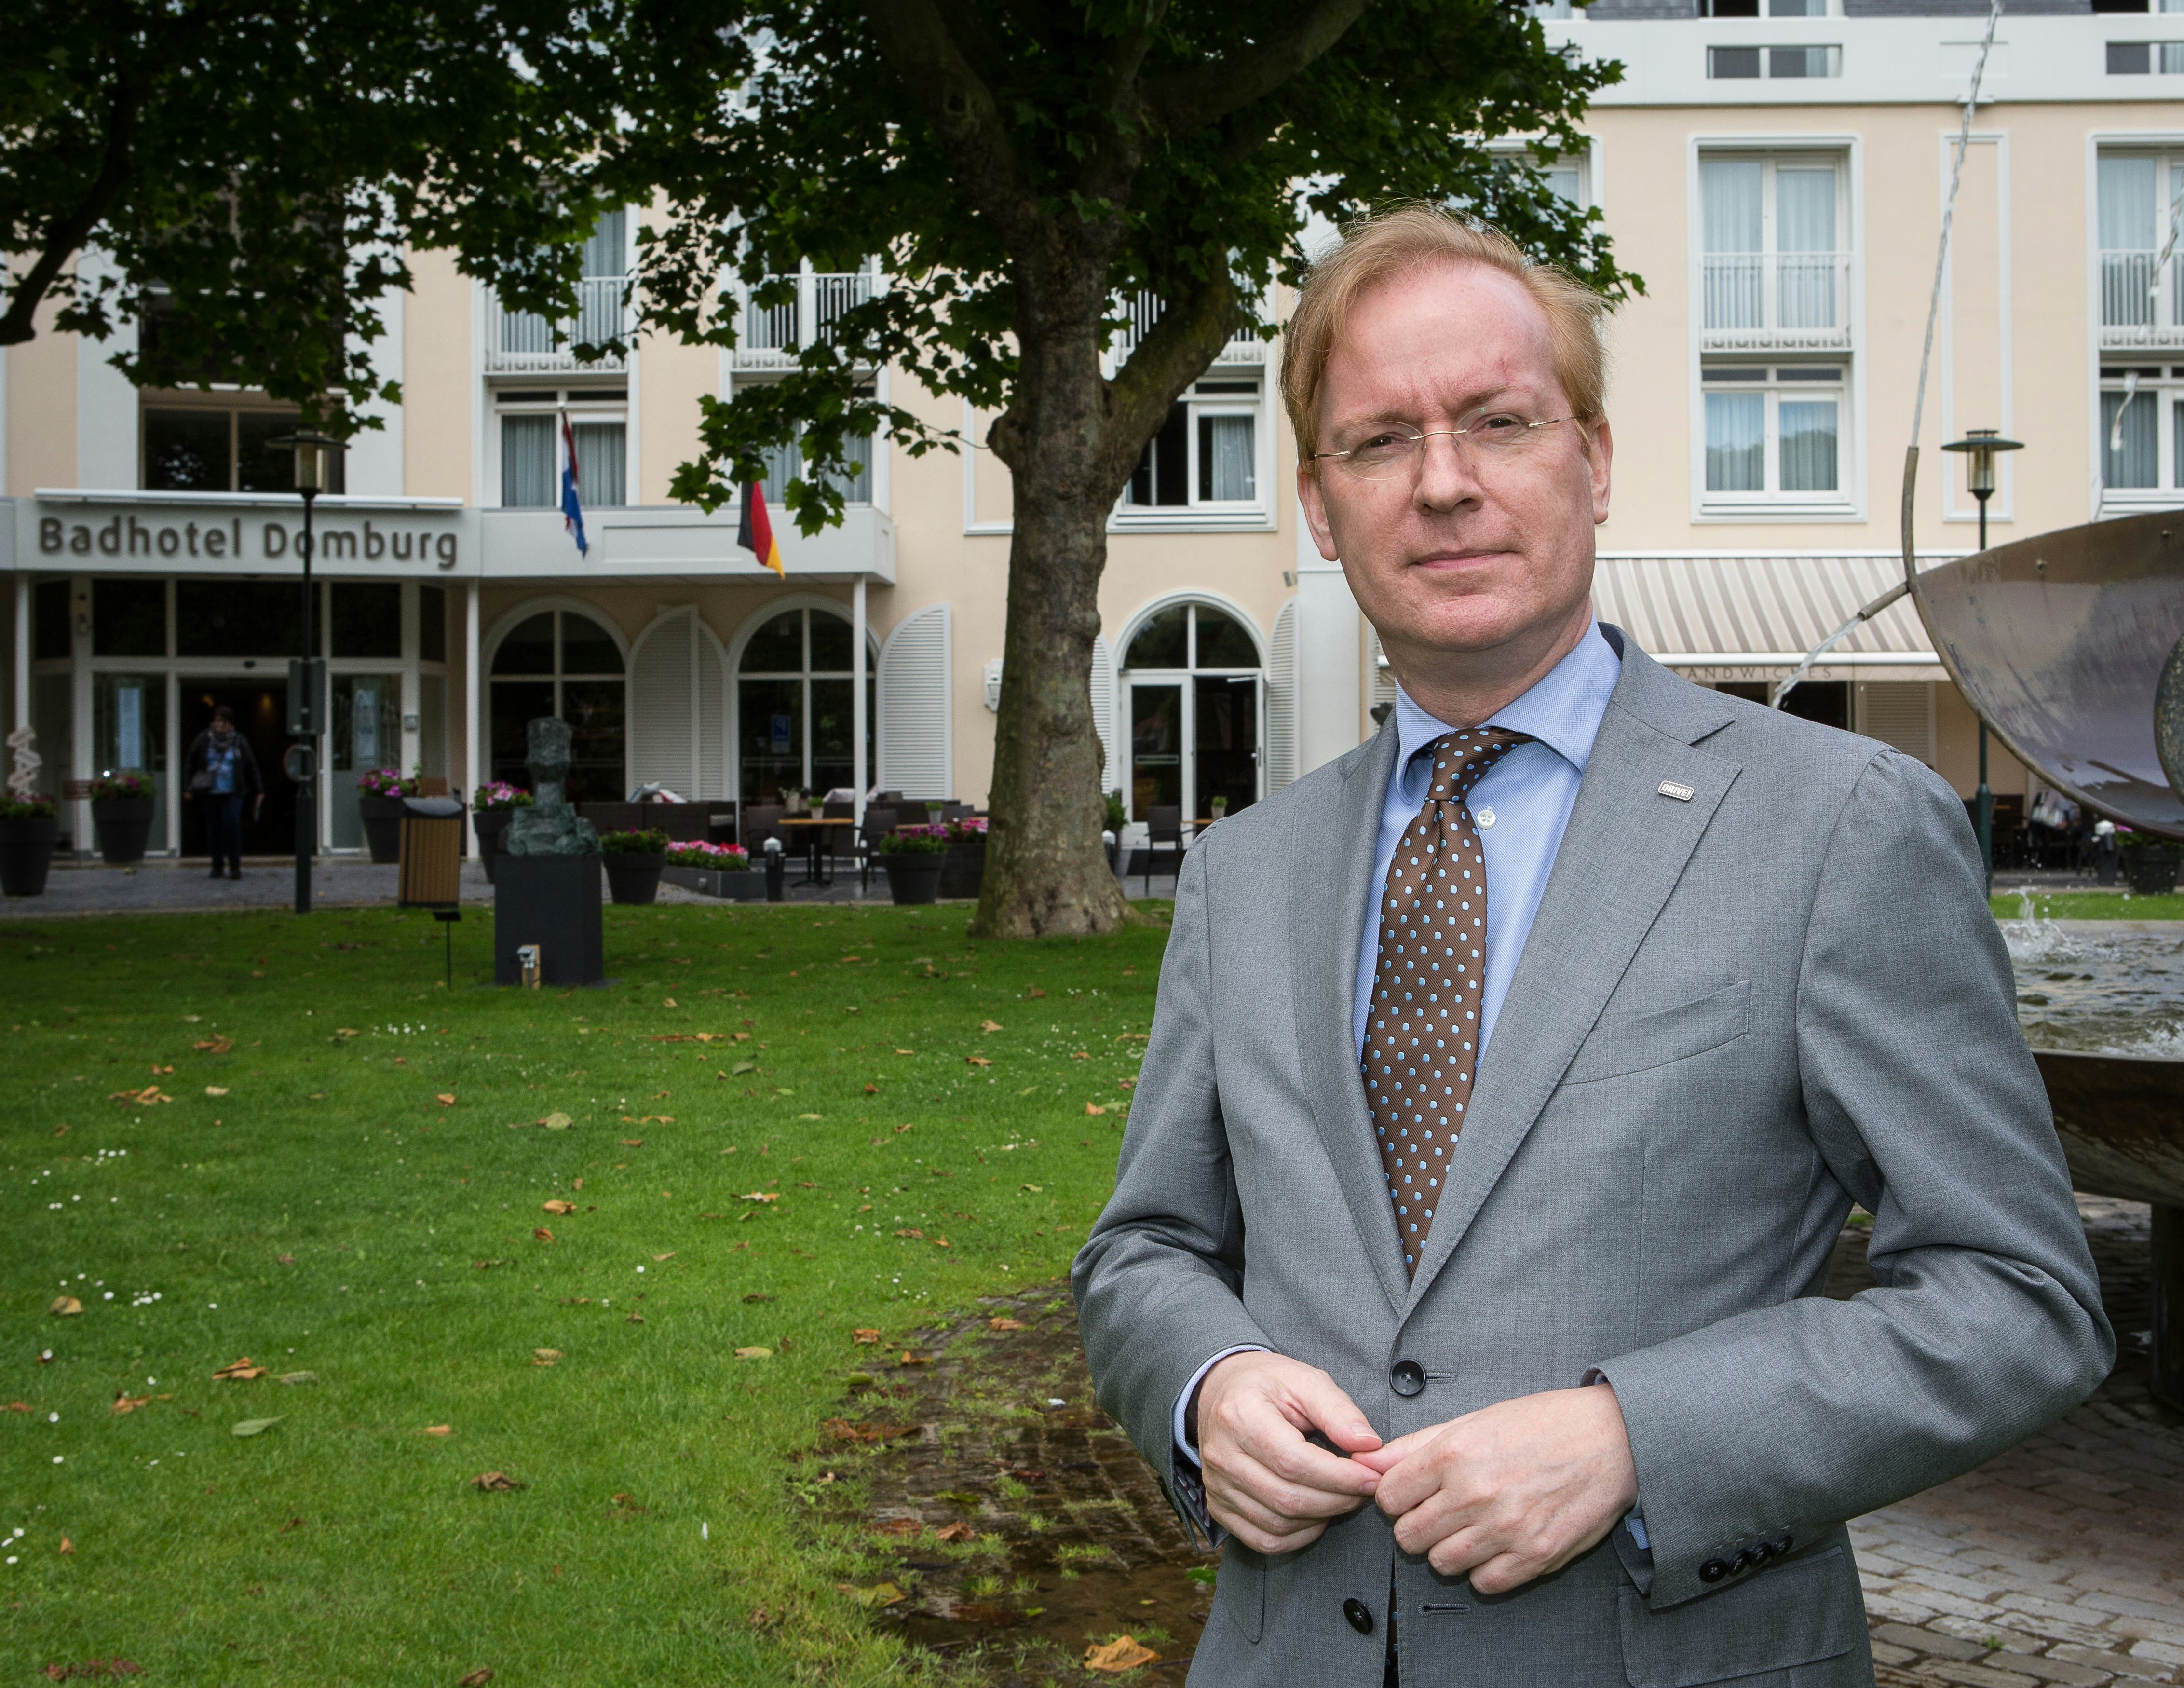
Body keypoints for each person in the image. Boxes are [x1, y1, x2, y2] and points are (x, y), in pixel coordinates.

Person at [1072, 209, 2110, 1687]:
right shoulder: (1245, 868)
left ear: (1595, 456)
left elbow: (2021, 1294)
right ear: (1316, 500)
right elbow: (1146, 1243)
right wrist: (1205, 1379)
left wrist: (1641, 1432)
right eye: (1379, 441)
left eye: (1498, 420)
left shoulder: (1836, 821)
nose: (1444, 483)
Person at [183, 706, 263, 880]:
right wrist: (187, 786)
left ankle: (235, 866)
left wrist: (259, 789)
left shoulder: (239, 741)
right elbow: (191, 761)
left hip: (233, 792)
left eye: (224, 722)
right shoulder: (204, 739)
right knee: (214, 829)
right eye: (217, 722)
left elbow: (251, 765)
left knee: (232, 825)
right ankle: (217, 865)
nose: (220, 726)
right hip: (209, 792)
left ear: (230, 725)